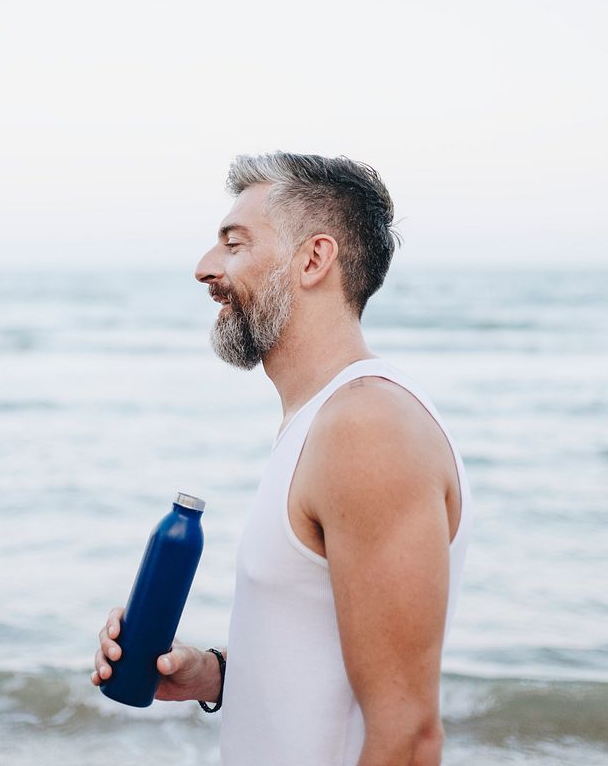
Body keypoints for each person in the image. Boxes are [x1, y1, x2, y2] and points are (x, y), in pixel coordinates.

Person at [92, 152, 472, 766]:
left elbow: (408, 737)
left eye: (233, 245)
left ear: (313, 260)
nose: (204, 268)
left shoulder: (365, 429)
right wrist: (213, 674)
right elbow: (328, 665)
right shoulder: (320, 420)